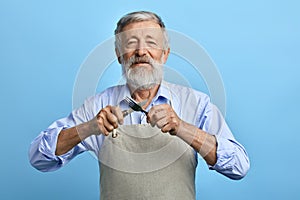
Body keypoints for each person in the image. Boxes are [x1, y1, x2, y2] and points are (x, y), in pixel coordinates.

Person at [29, 11, 250, 200]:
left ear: (165, 54)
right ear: (118, 55)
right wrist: (89, 128)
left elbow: (239, 167)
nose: (141, 52)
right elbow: (39, 158)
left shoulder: (196, 103)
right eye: (131, 43)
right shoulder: (98, 106)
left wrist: (183, 128)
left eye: (151, 43)